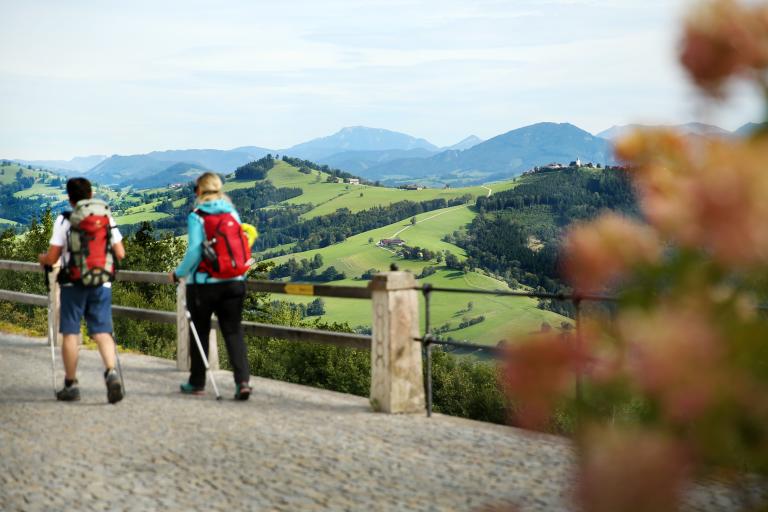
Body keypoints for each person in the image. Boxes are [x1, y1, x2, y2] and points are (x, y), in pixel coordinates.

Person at [38, 177, 126, 403]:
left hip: (73, 283)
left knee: (70, 332)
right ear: (91, 194)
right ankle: (111, 373)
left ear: (69, 198)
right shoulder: (105, 215)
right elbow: (120, 253)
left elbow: (53, 256)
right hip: (101, 282)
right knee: (102, 331)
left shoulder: (65, 219)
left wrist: (42, 259)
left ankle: (71, 384)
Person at [171, 172, 252, 400]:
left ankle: (197, 382)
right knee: (234, 331)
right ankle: (242, 382)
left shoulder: (197, 216)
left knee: (200, 332)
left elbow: (195, 251)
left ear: (199, 191)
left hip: (204, 285)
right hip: (235, 282)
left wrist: (178, 274)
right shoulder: (232, 213)